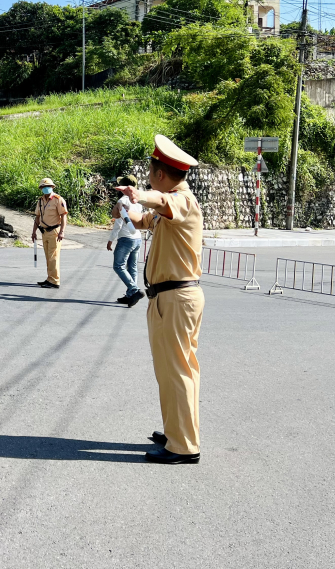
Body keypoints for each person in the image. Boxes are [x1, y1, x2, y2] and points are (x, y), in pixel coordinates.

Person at [116, 134, 203, 465]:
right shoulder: (170, 206)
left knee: (177, 371)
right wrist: (128, 206)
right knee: (174, 371)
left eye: (151, 170)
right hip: (170, 298)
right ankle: (177, 431)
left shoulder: (181, 201)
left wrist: (142, 195)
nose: (149, 174)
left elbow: (162, 204)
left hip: (176, 298)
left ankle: (183, 446)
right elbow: (144, 219)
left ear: (160, 175)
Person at [107, 174, 144, 308]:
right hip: (137, 238)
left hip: (126, 238)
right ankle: (130, 295)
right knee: (132, 267)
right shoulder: (138, 201)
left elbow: (118, 224)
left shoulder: (122, 201)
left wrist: (111, 240)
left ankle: (134, 290)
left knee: (118, 266)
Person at [31, 177, 67, 289]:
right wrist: (33, 232)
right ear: (41, 188)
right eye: (43, 187)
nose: (46, 188)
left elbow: (64, 216)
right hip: (44, 231)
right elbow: (37, 217)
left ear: (52, 187)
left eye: (48, 187)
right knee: (48, 256)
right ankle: (49, 278)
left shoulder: (58, 199)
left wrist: (62, 231)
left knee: (54, 257)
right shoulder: (41, 200)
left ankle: (55, 281)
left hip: (54, 231)